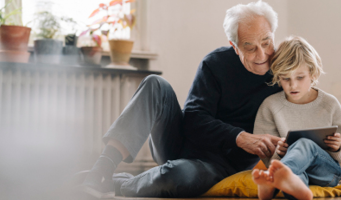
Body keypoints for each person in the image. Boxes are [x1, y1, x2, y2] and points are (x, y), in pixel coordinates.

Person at [80, 1, 283, 198]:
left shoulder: (284, 74)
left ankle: (118, 182)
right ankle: (101, 171)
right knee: (155, 84)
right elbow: (194, 119)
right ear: (234, 45)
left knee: (179, 176)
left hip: (220, 167)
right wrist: (239, 137)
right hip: (178, 143)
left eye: (266, 42)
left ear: (273, 35)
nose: (262, 54)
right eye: (250, 47)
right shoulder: (215, 64)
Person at [251, 36, 341, 200]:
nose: (293, 85)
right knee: (294, 178)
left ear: (312, 74)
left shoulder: (329, 103)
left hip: (327, 173)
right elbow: (266, 156)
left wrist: (338, 148)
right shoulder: (270, 105)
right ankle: (292, 187)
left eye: (300, 78)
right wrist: (278, 153)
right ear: (278, 77)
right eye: (286, 78)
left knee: (304, 143)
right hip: (294, 172)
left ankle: (272, 183)